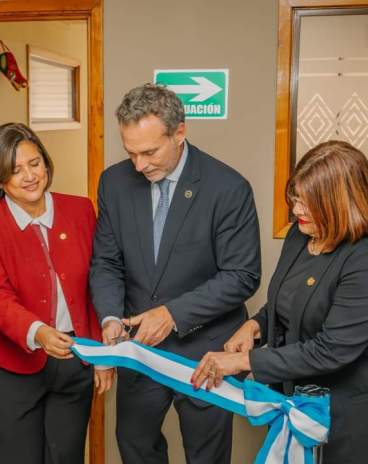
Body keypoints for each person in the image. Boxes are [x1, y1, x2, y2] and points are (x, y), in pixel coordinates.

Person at [191, 140, 368, 464]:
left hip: (366, 427)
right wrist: (254, 325)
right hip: (307, 413)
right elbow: (286, 301)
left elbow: (331, 349)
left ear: (341, 204)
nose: (297, 211)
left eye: (307, 202)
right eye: (295, 199)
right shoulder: (301, 234)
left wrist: (243, 361)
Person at [90, 84, 261, 464]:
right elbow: (106, 261)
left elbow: (242, 275)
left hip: (205, 351)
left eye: (149, 152)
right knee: (136, 448)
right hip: (139, 350)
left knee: (206, 454)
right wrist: (111, 317)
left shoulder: (227, 188)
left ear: (179, 132)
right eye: (130, 152)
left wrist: (171, 315)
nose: (139, 165)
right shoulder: (114, 183)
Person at [0, 122, 114, 464]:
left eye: (34, 163)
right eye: (14, 170)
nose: (29, 176)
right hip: (12, 365)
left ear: (46, 163)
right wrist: (39, 332)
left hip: (74, 356)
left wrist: (101, 354)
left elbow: (97, 282)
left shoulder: (80, 210)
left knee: (66, 456)